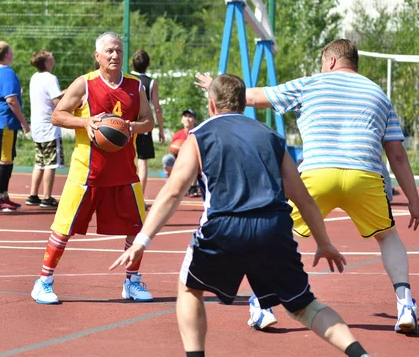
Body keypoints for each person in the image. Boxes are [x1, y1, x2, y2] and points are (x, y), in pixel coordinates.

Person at [111, 74, 371, 357]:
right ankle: (361, 354)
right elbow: (303, 199)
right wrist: (324, 242)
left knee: (189, 290)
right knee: (305, 306)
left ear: (211, 104)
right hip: (273, 228)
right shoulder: (272, 137)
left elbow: (173, 192)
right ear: (243, 104)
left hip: (224, 226)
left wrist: (142, 241)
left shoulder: (200, 136)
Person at [196, 38, 419, 334]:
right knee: (388, 237)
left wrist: (216, 86)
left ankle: (263, 307)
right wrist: (414, 200)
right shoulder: (378, 94)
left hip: (317, 174)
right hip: (364, 175)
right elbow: (398, 155)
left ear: (330, 60)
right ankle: (405, 305)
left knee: (275, 231)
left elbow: (251, 98)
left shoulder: (310, 84)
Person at [30, 31, 155, 304]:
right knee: (63, 228)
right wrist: (86, 122)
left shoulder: (135, 86)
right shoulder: (84, 84)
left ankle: (132, 281)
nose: (115, 55)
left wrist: (133, 127)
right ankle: (44, 282)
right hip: (87, 172)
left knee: (138, 227)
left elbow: (149, 120)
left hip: (124, 172)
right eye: (109, 51)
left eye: (119, 51)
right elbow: (57, 115)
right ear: (97, 56)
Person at [0, 41, 31, 212]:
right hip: (5, 121)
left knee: (6, 159)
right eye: (11, 50)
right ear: (7, 54)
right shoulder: (8, 73)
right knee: (4, 160)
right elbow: (10, 100)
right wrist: (24, 122)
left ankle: (3, 195)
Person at [26, 50, 64, 208]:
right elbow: (57, 102)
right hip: (49, 126)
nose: (53, 56)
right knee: (50, 163)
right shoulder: (51, 78)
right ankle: (46, 197)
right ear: (46, 62)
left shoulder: (35, 77)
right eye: (50, 56)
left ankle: (33, 195)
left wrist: (65, 93)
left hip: (37, 125)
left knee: (39, 162)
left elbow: (48, 96)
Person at [131, 49, 165, 197]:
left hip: (128, 125)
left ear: (132, 63)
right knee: (142, 162)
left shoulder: (126, 78)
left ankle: (125, 196)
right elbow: (157, 108)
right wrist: (161, 129)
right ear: (148, 64)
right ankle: (139, 198)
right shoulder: (151, 83)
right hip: (143, 126)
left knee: (126, 160)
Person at [162, 109, 201, 197]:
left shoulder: (198, 133)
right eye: (185, 116)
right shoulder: (178, 135)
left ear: (195, 120)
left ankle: (193, 187)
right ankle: (173, 182)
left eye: (190, 117)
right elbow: (172, 149)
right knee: (167, 158)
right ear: (182, 120)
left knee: (195, 160)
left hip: (193, 158)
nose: (187, 119)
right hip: (179, 158)